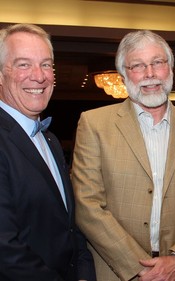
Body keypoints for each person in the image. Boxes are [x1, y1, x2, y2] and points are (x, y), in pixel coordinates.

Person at [71, 30, 175, 281]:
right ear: (124, 75)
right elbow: (88, 206)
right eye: (138, 65)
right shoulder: (93, 124)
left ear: (171, 69)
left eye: (158, 63)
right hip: (116, 272)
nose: (150, 74)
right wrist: (136, 267)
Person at [0, 23, 96, 281]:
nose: (39, 76)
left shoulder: (50, 140)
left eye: (46, 64)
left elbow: (70, 227)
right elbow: (5, 249)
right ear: (0, 75)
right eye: (23, 64)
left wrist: (85, 274)